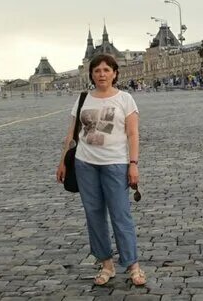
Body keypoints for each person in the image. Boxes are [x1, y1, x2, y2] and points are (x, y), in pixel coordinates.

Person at [56, 54, 146, 287]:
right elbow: (72, 134)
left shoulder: (125, 99)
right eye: (97, 70)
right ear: (92, 74)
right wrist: (63, 161)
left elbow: (133, 134)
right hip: (86, 164)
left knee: (120, 214)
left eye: (107, 70)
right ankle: (106, 264)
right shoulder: (83, 99)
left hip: (115, 164)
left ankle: (133, 265)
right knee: (94, 215)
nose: (102, 74)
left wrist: (133, 164)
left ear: (115, 73)